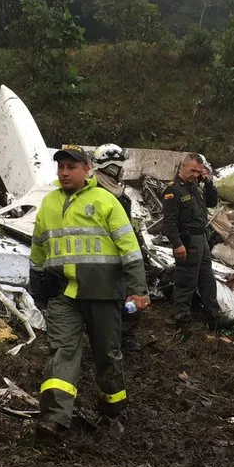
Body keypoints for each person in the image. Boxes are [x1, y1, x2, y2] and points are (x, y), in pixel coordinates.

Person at [30, 148, 150, 440]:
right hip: (63, 295)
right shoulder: (48, 204)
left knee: (107, 355)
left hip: (103, 294)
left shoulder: (106, 202)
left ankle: (113, 412)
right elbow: (38, 249)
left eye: (71, 167)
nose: (64, 173)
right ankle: (54, 419)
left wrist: (137, 290)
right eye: (60, 167)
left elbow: (130, 250)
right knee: (63, 352)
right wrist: (37, 287)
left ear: (87, 169)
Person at [93, 143, 149, 351]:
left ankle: (125, 336)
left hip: (121, 256)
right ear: (113, 167)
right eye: (120, 166)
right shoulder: (95, 194)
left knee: (129, 297)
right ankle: (112, 339)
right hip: (104, 260)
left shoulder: (120, 195)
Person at [161, 152, 221, 329]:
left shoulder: (196, 187)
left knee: (207, 278)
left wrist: (208, 182)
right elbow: (169, 221)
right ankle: (181, 316)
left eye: (198, 172)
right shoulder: (173, 190)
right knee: (186, 278)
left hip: (201, 237)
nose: (195, 175)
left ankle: (213, 316)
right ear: (183, 167)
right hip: (187, 239)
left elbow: (211, 202)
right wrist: (177, 243)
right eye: (192, 170)